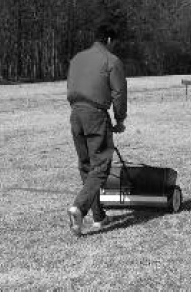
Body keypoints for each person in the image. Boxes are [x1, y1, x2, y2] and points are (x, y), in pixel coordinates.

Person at [66, 23, 128, 236]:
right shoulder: (111, 61)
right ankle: (79, 208)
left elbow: (72, 87)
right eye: (115, 43)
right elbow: (119, 93)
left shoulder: (77, 59)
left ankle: (99, 217)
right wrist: (119, 120)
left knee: (86, 166)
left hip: (75, 114)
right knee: (101, 166)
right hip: (95, 115)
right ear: (109, 40)